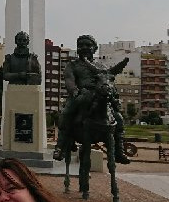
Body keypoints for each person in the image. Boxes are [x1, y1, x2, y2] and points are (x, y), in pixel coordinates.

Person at [54, 34, 130, 164]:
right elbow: (69, 81)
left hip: (101, 95)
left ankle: (119, 150)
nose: (84, 47)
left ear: (94, 49)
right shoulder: (72, 66)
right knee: (66, 113)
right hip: (81, 95)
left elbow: (110, 82)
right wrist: (75, 92)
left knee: (118, 118)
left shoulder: (102, 67)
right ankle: (60, 146)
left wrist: (114, 97)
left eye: (88, 45)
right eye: (81, 45)